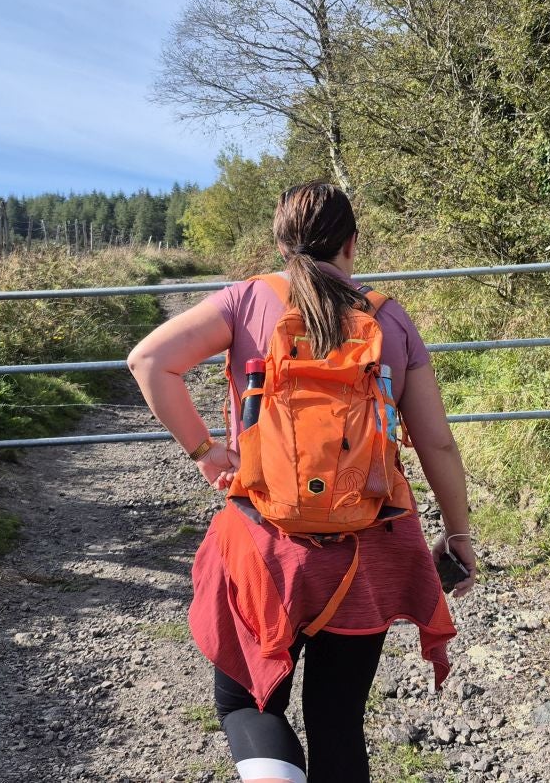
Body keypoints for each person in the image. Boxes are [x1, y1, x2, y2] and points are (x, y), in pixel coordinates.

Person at [128, 182, 478, 783]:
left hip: (264, 545)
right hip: (364, 553)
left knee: (248, 703)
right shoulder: (387, 316)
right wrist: (459, 535)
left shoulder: (246, 301)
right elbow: (436, 442)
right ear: (351, 242)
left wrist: (205, 451)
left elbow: (149, 361)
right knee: (337, 719)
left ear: (281, 241)